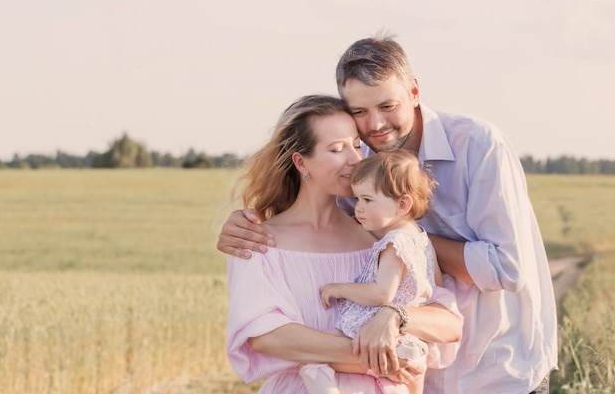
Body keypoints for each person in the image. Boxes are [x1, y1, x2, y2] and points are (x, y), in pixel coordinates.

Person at [218, 34, 558, 394]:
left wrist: (403, 241)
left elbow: (504, 269)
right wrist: (242, 223)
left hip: (498, 368)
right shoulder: (359, 176)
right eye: (360, 113)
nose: (375, 125)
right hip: (416, 378)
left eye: (387, 105)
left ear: (414, 92)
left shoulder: (480, 146)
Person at [225, 95, 462, 394]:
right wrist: (380, 358)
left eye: (355, 144)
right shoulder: (258, 241)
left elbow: (449, 323)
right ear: (301, 162)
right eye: (337, 149)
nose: (354, 159)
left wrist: (394, 316)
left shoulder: (383, 237)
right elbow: (266, 336)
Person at [300, 149, 444, 394]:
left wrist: (339, 289)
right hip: (412, 340)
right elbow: (435, 285)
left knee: (313, 358)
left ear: (402, 204)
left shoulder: (394, 244)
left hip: (385, 337)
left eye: (368, 200)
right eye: (357, 200)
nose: (359, 208)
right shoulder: (420, 237)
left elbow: (381, 293)